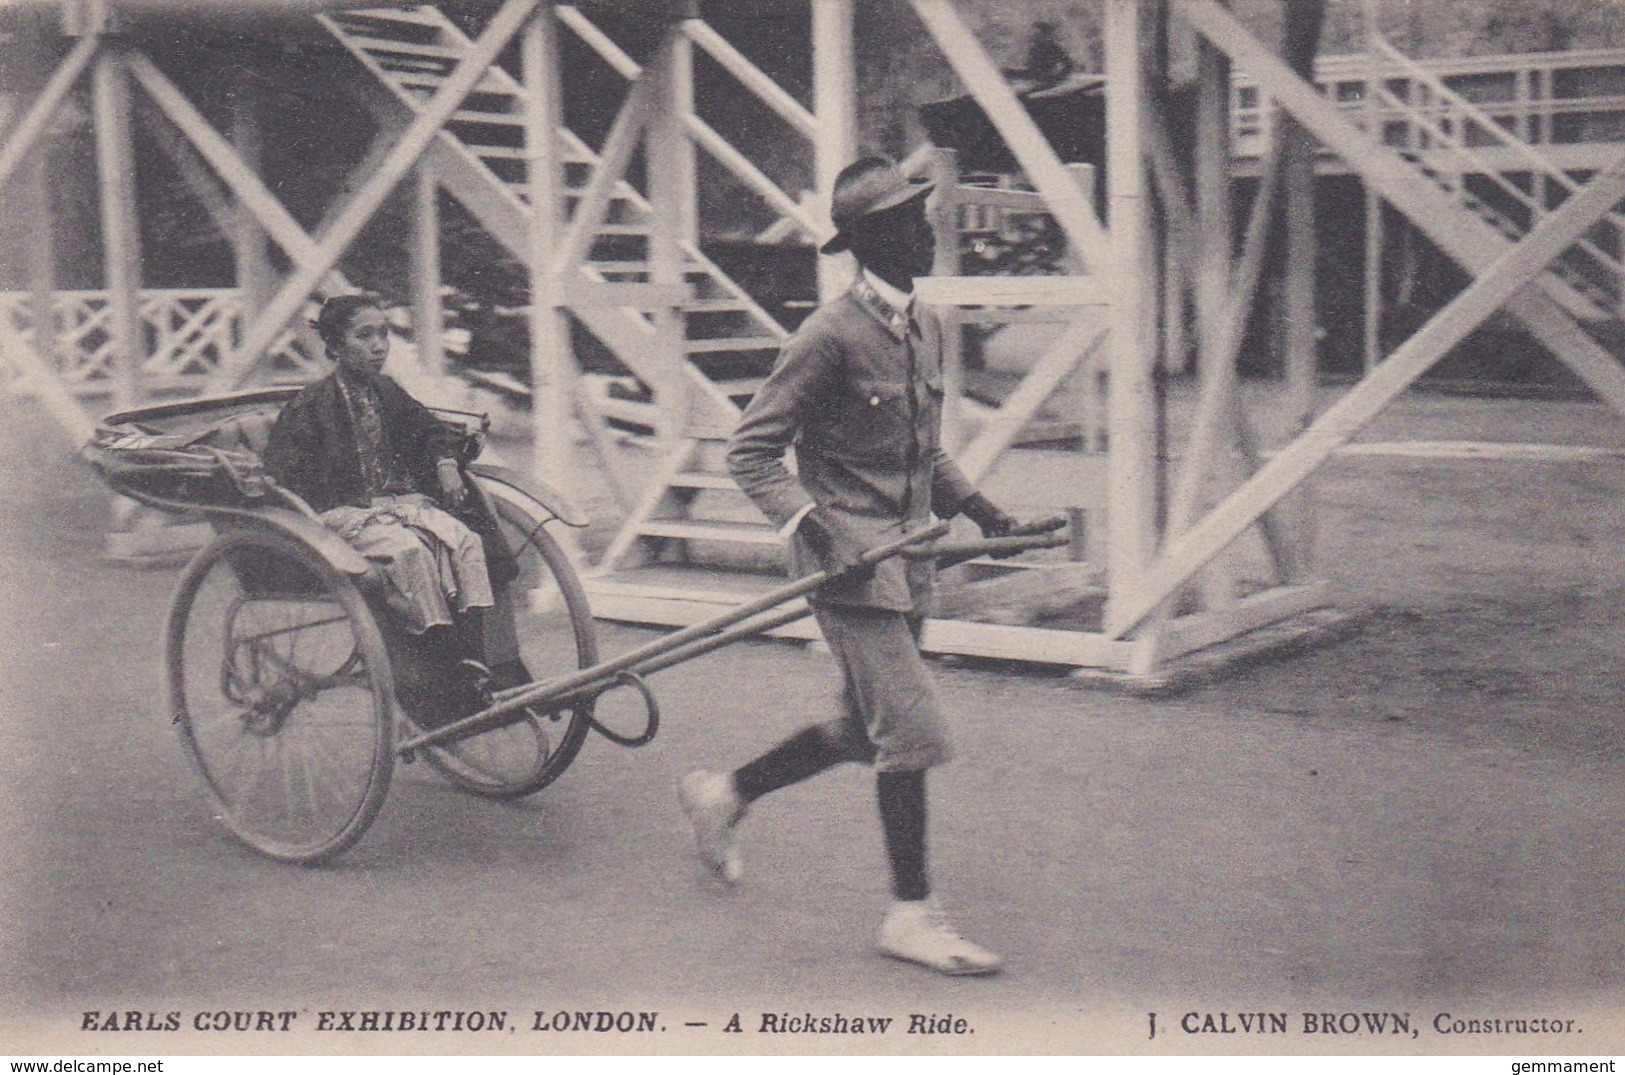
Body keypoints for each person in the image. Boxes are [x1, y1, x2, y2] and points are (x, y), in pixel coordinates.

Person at [678, 157, 1026, 977]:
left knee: (857, 731)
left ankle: (721, 793)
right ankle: (910, 914)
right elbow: (751, 451)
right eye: (909, 218)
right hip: (848, 567)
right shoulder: (827, 334)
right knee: (913, 732)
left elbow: (923, 449)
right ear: (870, 239)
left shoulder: (924, 324)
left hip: (908, 557)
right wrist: (812, 524)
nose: (927, 227)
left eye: (925, 212)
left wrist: (981, 510)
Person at [264, 294, 518, 723]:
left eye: (384, 334)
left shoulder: (386, 392)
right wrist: (347, 501)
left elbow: (428, 428)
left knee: (466, 540)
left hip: (399, 507)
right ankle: (437, 668)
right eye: (365, 336)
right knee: (410, 553)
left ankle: (476, 660)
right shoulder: (310, 406)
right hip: (342, 517)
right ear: (335, 345)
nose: (379, 346)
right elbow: (285, 475)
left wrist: (445, 463)